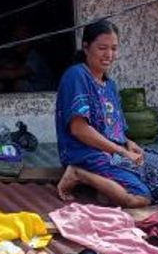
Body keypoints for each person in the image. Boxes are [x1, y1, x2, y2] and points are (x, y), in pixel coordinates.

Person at [55, 20, 151, 207]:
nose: (109, 55)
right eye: (102, 48)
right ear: (86, 47)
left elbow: (114, 129)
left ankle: (102, 187)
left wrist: (129, 144)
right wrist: (122, 152)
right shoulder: (76, 76)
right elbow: (79, 130)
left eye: (114, 49)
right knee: (141, 196)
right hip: (83, 152)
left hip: (110, 152)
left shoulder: (110, 85)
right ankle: (78, 173)